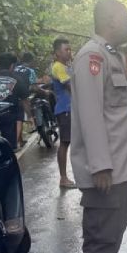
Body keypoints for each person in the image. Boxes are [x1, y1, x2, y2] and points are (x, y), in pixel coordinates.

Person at [70, 0, 127, 253]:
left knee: (109, 246)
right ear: (111, 20)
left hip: (121, 172)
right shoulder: (92, 56)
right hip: (106, 175)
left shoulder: (113, 55)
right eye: (125, 17)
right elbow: (90, 113)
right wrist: (100, 165)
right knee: (99, 251)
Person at [0, 52, 30, 150]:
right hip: (9, 117)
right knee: (9, 148)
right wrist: (30, 115)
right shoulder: (17, 79)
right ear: (12, 65)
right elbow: (25, 100)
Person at [51, 37, 77, 188]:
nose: (69, 52)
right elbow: (71, 86)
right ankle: (63, 178)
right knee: (65, 142)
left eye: (69, 49)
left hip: (70, 109)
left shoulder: (66, 66)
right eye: (66, 50)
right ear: (57, 52)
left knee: (71, 142)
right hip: (66, 109)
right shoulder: (58, 67)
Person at [14, 51, 38, 148]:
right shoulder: (30, 71)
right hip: (22, 96)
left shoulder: (14, 68)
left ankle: (20, 140)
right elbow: (33, 86)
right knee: (20, 118)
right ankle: (16, 142)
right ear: (31, 61)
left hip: (11, 96)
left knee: (16, 118)